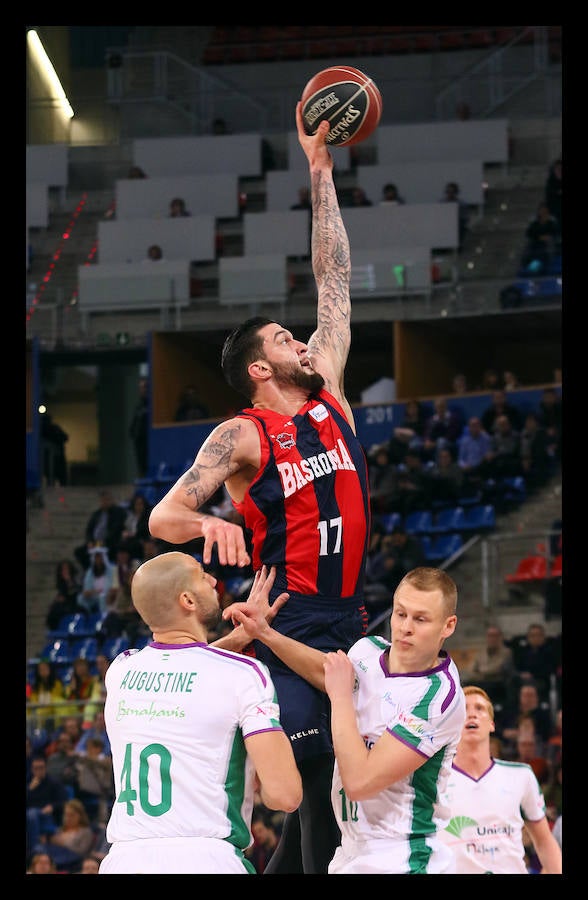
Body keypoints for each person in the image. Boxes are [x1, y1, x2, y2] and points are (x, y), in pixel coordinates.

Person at [149, 107, 371, 875]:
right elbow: (164, 514)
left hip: (351, 612)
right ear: (258, 369)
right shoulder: (242, 435)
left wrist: (320, 169)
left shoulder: (331, 392)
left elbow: (334, 276)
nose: (302, 341)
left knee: (341, 793)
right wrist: (207, 523)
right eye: (284, 340)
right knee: (314, 784)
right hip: (293, 619)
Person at [225, 566, 466, 874]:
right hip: (352, 851)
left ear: (448, 626)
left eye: (420, 619)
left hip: (403, 856)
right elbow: (328, 671)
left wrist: (339, 698)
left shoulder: (439, 697)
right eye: (400, 614)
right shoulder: (369, 650)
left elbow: (359, 783)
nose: (405, 627)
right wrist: (265, 634)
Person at [98, 553, 302, 875]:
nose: (212, 579)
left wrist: (237, 639)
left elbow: (184, 668)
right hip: (207, 857)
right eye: (201, 575)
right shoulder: (245, 675)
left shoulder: (121, 671)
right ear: (188, 600)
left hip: (124, 859)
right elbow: (284, 795)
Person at [438, 686, 562, 874]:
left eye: (479, 709)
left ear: (492, 724)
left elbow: (544, 841)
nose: (472, 714)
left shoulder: (521, 776)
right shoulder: (433, 779)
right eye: (464, 709)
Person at [74, 489, 127, 570]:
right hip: (95, 543)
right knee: (79, 552)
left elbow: (115, 529)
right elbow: (89, 529)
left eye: (107, 500)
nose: (105, 502)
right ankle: (91, 570)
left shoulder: (118, 512)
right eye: (103, 500)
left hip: (109, 542)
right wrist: (89, 541)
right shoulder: (97, 514)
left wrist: (104, 541)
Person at [520, 202, 560, 274]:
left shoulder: (551, 221)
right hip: (535, 243)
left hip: (546, 244)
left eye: (545, 210)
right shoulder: (535, 222)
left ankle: (535, 268)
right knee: (529, 253)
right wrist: (539, 237)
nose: (543, 212)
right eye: (541, 210)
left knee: (541, 254)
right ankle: (532, 268)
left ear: (547, 211)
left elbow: (554, 233)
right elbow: (529, 233)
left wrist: (548, 237)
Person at [129, 376, 149, 479]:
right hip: (139, 443)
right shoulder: (139, 406)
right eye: (140, 387)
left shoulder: (151, 406)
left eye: (144, 387)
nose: (142, 390)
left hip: (149, 443)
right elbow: (134, 425)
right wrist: (133, 433)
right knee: (141, 467)